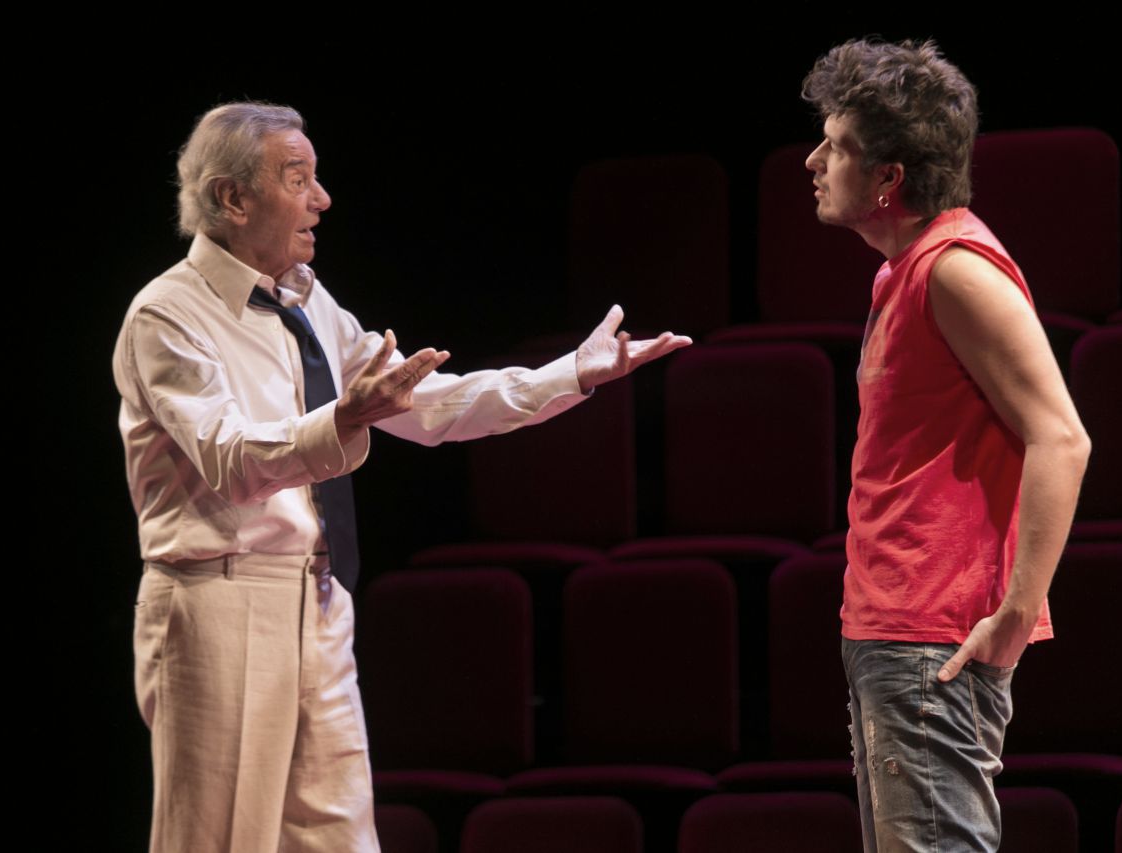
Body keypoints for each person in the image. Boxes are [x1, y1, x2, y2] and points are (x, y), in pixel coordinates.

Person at [112, 101, 690, 853]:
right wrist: (345, 419)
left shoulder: (305, 299)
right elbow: (231, 457)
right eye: (298, 179)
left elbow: (428, 406)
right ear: (232, 197)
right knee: (221, 843)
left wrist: (566, 376)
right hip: (218, 599)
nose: (322, 199)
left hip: (316, 600)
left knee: (342, 840)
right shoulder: (169, 315)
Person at [801, 39, 1091, 852]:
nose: (814, 160)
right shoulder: (901, 270)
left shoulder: (955, 270)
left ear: (890, 178)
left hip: (934, 633)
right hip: (890, 628)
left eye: (839, 146)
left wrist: (1015, 611)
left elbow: (1062, 437)